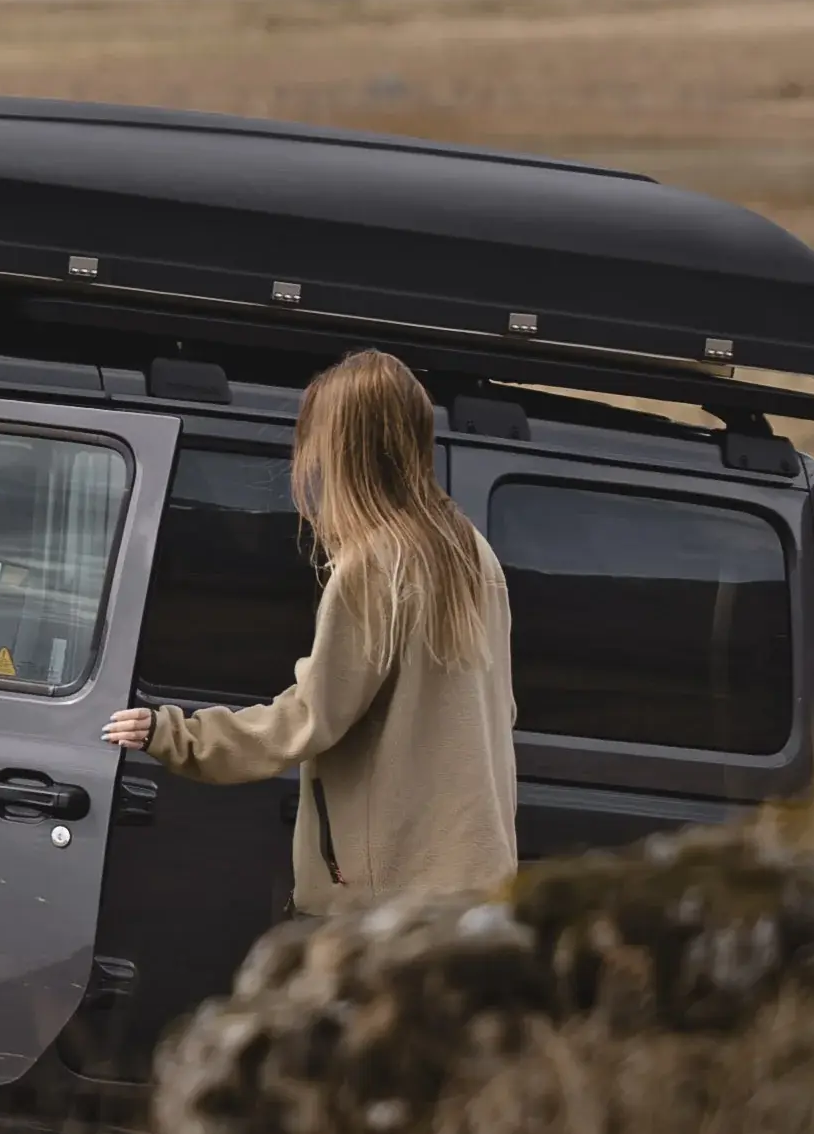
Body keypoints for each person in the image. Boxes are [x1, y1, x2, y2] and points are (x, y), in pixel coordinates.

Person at [102, 349, 516, 907]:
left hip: (381, 906)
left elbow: (309, 719)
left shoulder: (373, 565)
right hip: (476, 886)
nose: (308, 461)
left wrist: (174, 735)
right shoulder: (471, 552)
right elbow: (502, 711)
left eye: (316, 439)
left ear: (347, 448)